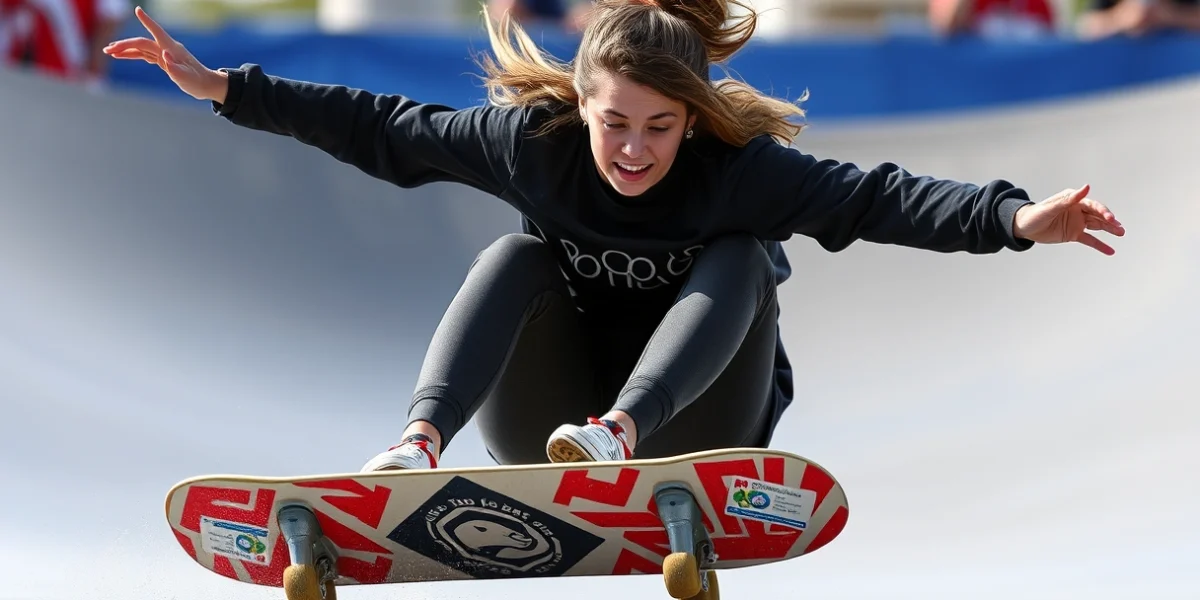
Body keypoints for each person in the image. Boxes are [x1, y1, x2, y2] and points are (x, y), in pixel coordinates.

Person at [104, 0, 1124, 473]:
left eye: (661, 128)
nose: (634, 151)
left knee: (741, 257)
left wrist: (1014, 217)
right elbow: (383, 127)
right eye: (615, 124)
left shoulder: (740, 171)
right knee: (515, 254)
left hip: (703, 422)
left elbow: (879, 198)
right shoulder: (531, 145)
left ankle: (624, 431)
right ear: (580, 106)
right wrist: (225, 88)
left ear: (693, 119)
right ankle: (417, 446)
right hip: (544, 422)